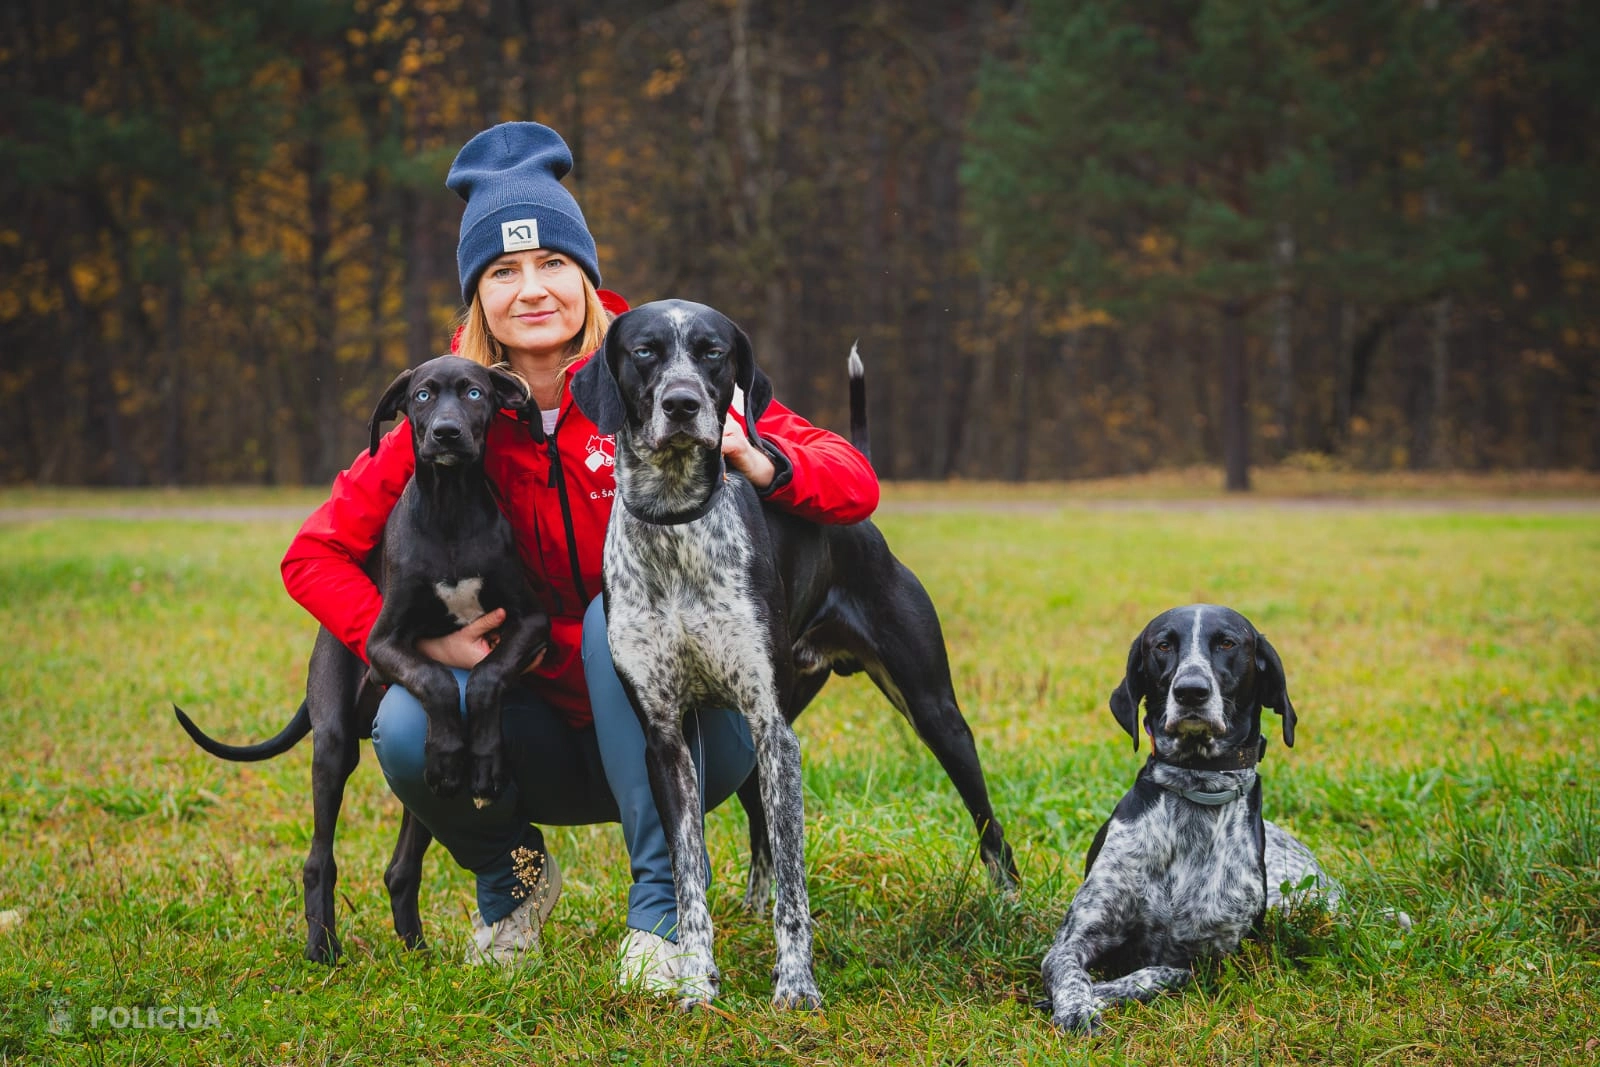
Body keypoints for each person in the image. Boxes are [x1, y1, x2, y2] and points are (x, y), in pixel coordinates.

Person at [280, 121, 879, 991]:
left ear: (585, 272)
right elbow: (312, 555)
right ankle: (513, 882)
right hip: (531, 729)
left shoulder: (660, 362)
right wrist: (406, 641)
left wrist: (761, 456)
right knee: (406, 726)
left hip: (686, 734)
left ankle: (662, 913)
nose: (532, 290)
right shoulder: (453, 407)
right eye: (503, 272)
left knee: (615, 615)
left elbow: (852, 482)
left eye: (553, 263)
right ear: (477, 295)